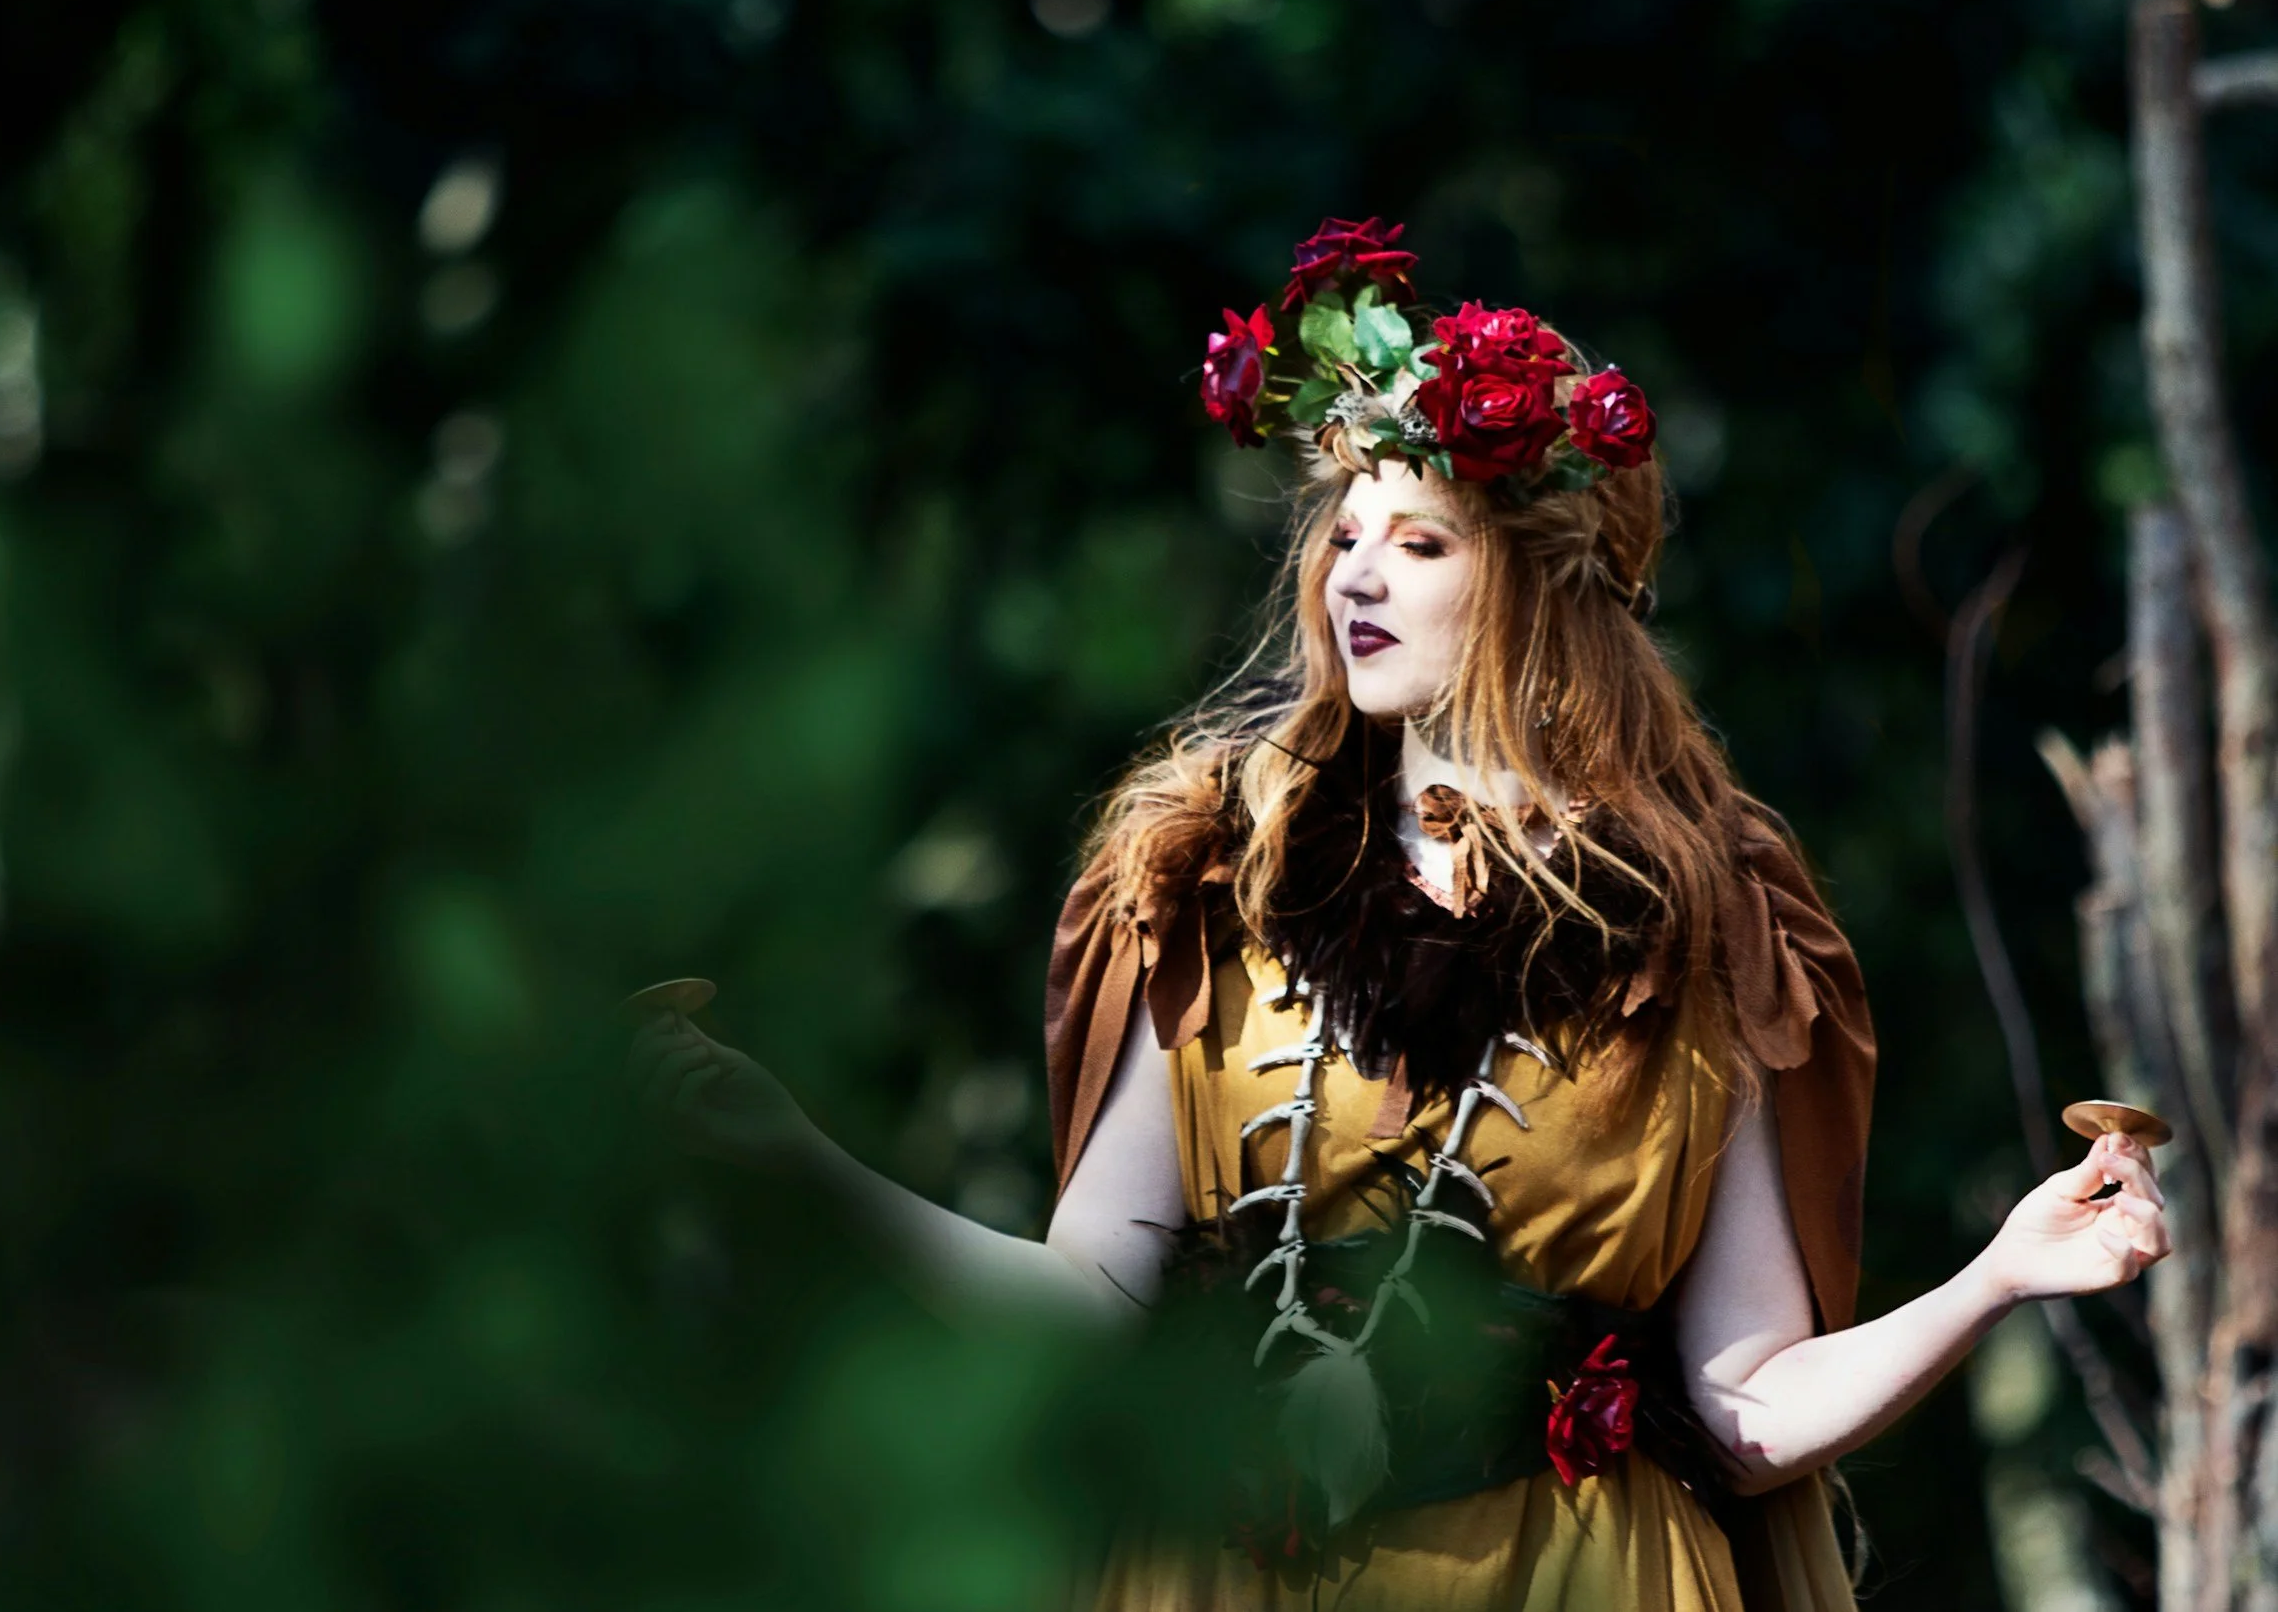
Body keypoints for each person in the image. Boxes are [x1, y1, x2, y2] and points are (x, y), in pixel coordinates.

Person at [627, 218, 2170, 1610]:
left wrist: (2001, 1273)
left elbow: (1744, 1408)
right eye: (1343, 532)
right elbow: (1091, 1299)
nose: (1352, 574)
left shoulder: (1715, 922)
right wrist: (798, 1160)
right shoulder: (1210, 875)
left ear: (1538, 586)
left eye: (1416, 540)